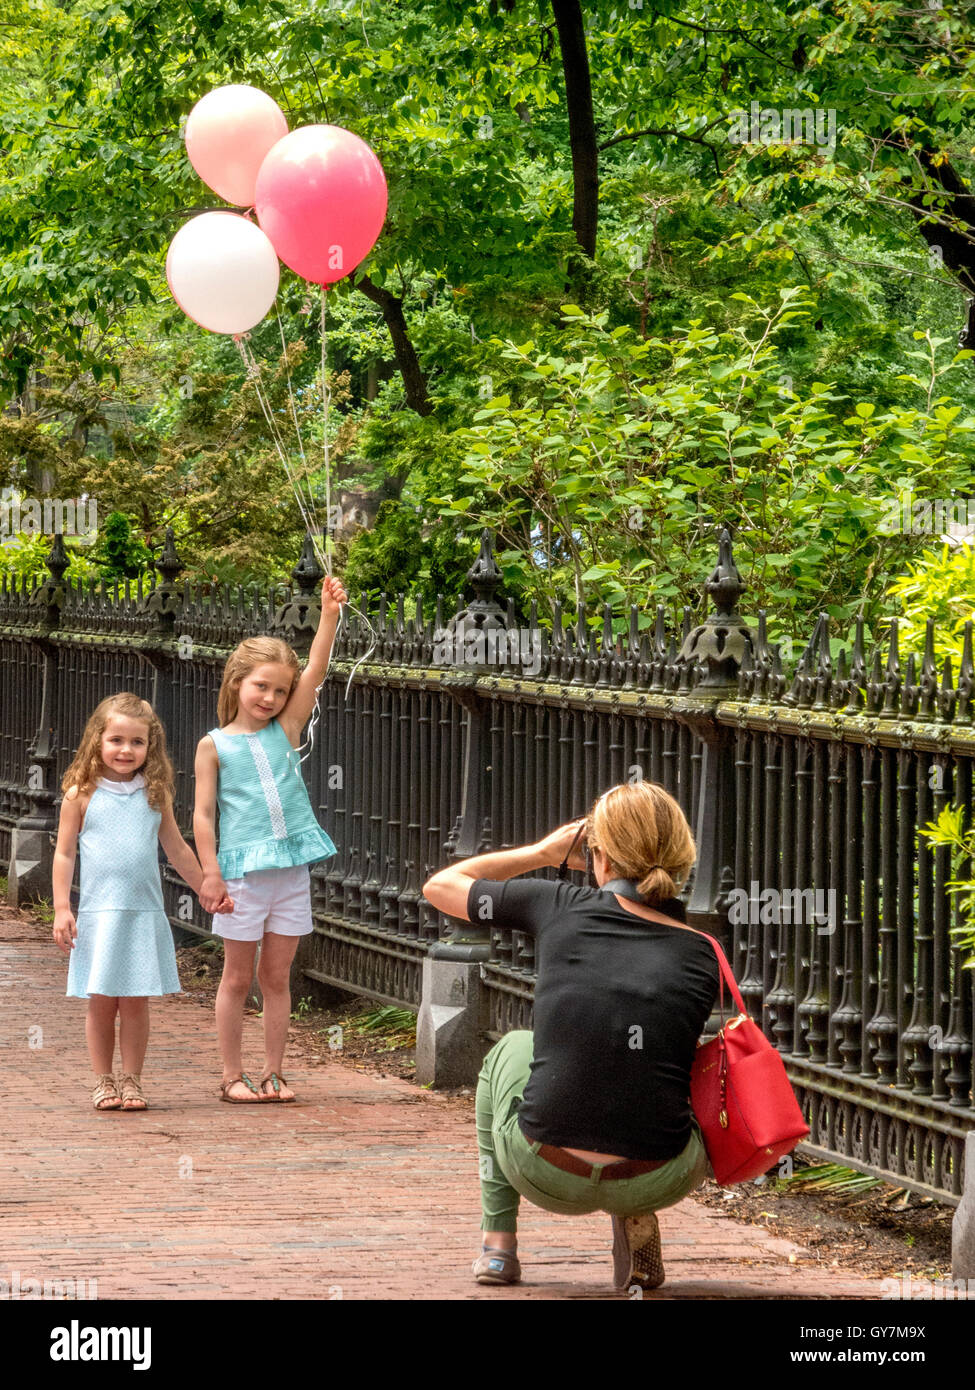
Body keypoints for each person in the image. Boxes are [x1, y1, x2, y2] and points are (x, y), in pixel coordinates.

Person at [422, 780, 720, 1294]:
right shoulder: (701, 950)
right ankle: (636, 1221)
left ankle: (498, 1249)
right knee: (654, 1063)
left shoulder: (558, 904)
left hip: (548, 1172)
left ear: (597, 855)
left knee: (510, 1049)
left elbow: (441, 887)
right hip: (660, 1173)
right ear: (682, 856)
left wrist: (541, 853)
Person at [194, 575, 347, 1104]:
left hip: (290, 871)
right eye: (261, 686)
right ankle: (231, 1075)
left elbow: (317, 671)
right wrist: (210, 871)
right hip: (240, 873)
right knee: (237, 978)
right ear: (237, 681)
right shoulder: (213, 745)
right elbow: (203, 814)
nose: (271, 697)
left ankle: (274, 1072)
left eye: (280, 690)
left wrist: (328, 614)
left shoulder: (287, 729)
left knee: (277, 977)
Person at [52, 692, 229, 1112]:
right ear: (97, 739)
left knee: (135, 1001)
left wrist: (208, 885)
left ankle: (132, 1079)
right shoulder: (81, 793)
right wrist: (62, 908)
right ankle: (103, 1080)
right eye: (116, 740)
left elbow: (177, 849)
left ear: (151, 746)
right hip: (98, 914)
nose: (126, 750)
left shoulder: (155, 793)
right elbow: (64, 853)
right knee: (101, 1001)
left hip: (143, 914)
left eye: (137, 742)